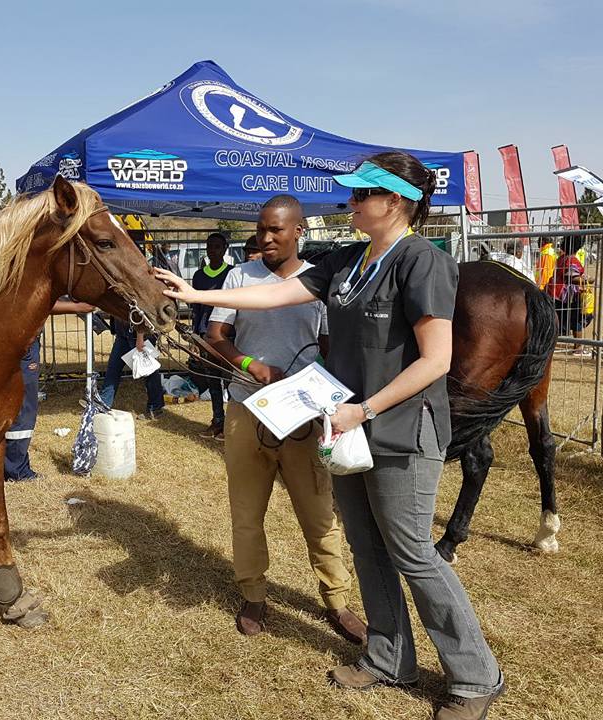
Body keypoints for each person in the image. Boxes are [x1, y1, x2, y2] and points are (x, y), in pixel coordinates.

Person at [156, 153, 504, 720]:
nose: (350, 203)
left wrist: (363, 408)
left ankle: (475, 676)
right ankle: (390, 658)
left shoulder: (421, 261)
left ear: (395, 202)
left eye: (362, 195)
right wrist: (192, 297)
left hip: (398, 431)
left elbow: (436, 360)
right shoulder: (349, 259)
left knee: (413, 554)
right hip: (346, 431)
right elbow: (275, 294)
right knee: (367, 549)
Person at [199, 194, 366, 645]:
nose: (266, 237)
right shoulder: (239, 275)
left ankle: (337, 600)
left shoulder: (319, 283)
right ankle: (253, 594)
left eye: (276, 229)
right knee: (246, 514)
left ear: (299, 232)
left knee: (319, 514)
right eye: (261, 229)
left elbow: (331, 347)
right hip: (246, 410)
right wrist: (248, 362)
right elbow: (215, 335)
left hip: (303, 420)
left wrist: (325, 392)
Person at [6, 299, 95, 482]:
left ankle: (9, 464)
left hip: (21, 339)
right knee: (24, 408)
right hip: (23, 341)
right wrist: (76, 307)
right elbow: (36, 301)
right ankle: (16, 470)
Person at [189, 233, 230, 440]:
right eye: (209, 246)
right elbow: (195, 309)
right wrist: (195, 337)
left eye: (217, 246)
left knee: (230, 381)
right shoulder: (198, 276)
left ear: (225, 249)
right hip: (206, 335)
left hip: (228, 336)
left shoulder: (232, 274)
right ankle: (217, 421)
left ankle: (231, 424)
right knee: (213, 380)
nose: (212, 250)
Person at [98, 316, 165, 420]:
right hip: (123, 333)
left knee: (149, 371)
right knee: (113, 369)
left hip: (140, 334)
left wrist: (140, 336)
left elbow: (140, 310)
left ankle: (155, 408)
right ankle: (102, 405)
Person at [546, 236, 589, 355]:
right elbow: (570, 277)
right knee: (577, 320)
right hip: (565, 296)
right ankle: (578, 347)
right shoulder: (572, 260)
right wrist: (587, 280)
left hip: (554, 292)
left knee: (556, 320)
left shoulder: (562, 258)